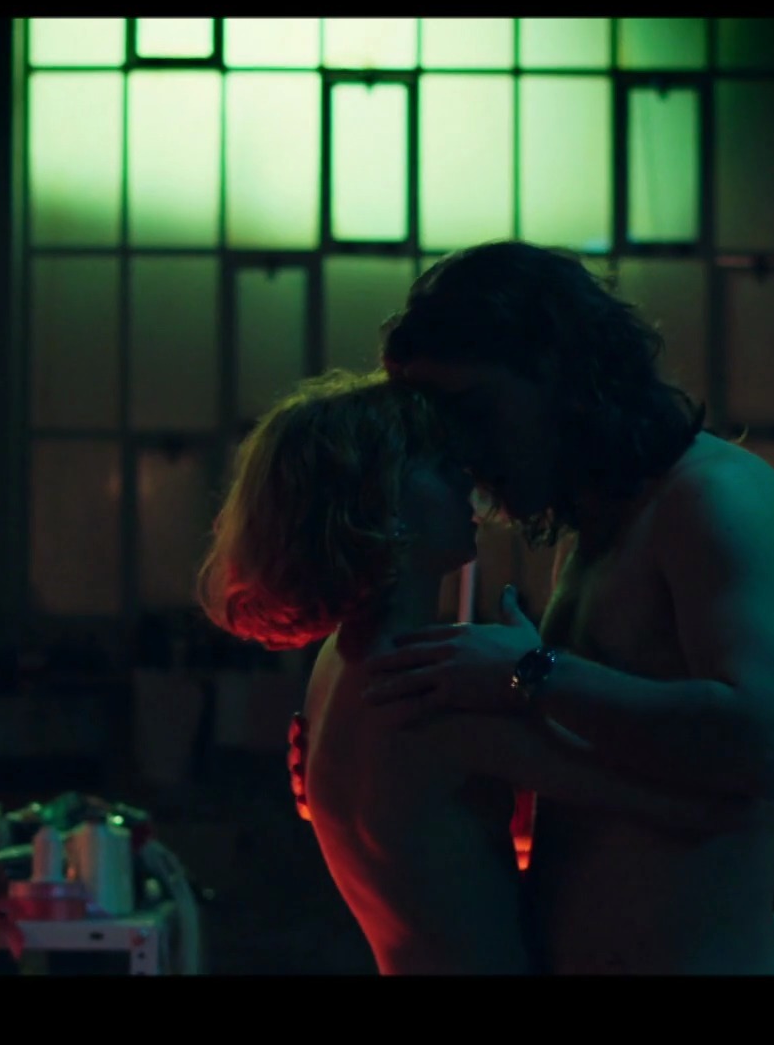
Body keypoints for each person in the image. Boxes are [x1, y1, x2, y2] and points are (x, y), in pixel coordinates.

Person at [360, 240, 774, 974]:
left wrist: (531, 673)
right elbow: (629, 748)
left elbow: (763, 741)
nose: (464, 452)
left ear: (556, 371)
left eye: (474, 410)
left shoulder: (712, 497)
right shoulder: (604, 526)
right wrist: (383, 756)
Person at [196, 369, 744, 974]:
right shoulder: (432, 686)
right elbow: (692, 807)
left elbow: (435, 831)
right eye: (438, 464)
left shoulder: (341, 665)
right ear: (383, 507)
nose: (467, 477)